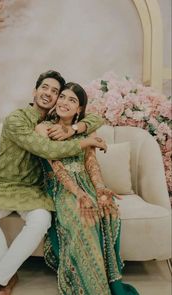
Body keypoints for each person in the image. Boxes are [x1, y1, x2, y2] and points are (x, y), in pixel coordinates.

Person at [0, 70, 106, 295]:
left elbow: (95, 117)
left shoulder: (53, 122)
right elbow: (47, 149)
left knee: (41, 220)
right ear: (35, 91)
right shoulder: (17, 119)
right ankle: (5, 277)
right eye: (45, 88)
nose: (49, 93)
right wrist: (84, 141)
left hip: (34, 190)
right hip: (5, 185)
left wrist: (75, 129)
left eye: (55, 91)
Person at [35, 82, 140, 295]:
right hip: (61, 187)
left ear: (80, 109)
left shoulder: (85, 129)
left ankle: (107, 281)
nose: (64, 102)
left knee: (106, 210)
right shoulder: (43, 128)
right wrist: (78, 193)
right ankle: (93, 288)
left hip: (85, 183)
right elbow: (56, 165)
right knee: (82, 219)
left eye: (72, 100)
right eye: (62, 97)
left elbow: (91, 164)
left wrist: (100, 189)